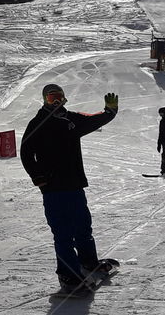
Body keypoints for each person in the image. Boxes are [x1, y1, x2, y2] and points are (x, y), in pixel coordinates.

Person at [20, 83, 119, 296]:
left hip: (74, 185)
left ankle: (88, 262)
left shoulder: (71, 119)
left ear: (64, 98)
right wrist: (38, 177)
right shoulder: (38, 123)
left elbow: (93, 119)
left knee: (83, 227)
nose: (55, 102)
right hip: (53, 188)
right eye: (50, 98)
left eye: (58, 97)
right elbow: (26, 152)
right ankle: (68, 273)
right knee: (63, 233)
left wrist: (109, 112)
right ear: (44, 100)